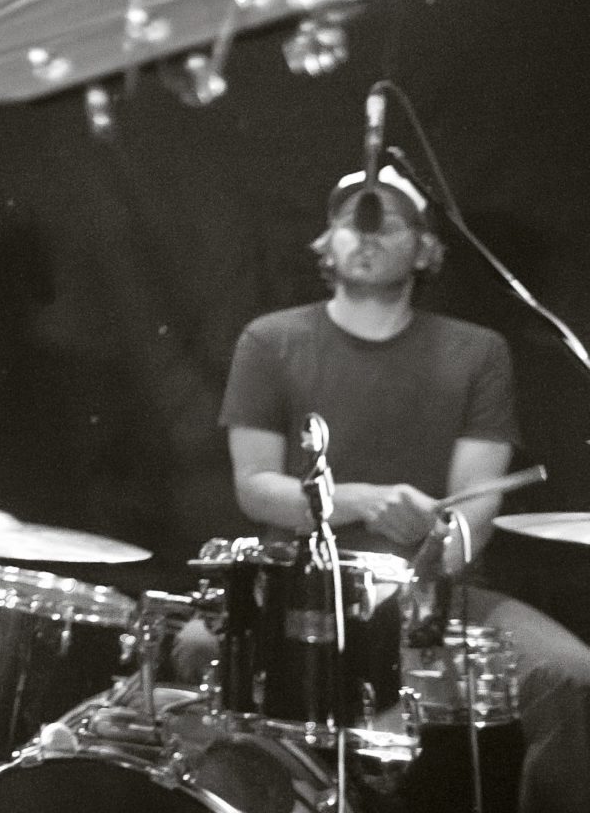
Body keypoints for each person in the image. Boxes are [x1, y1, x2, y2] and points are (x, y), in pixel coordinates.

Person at [218, 164, 590, 813]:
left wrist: (439, 546)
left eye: (385, 220)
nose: (363, 235)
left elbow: (477, 500)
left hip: (435, 596)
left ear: (423, 247)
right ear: (326, 243)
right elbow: (254, 488)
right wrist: (362, 500)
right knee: (196, 653)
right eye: (348, 220)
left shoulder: (478, 351)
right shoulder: (270, 340)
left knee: (571, 677)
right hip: (303, 588)